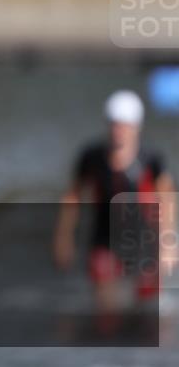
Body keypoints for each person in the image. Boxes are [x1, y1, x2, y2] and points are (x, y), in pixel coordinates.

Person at [53, 90, 176, 311]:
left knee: (148, 310)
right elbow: (72, 196)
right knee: (106, 309)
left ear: (136, 127)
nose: (119, 131)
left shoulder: (151, 159)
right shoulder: (91, 158)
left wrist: (169, 244)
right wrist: (64, 238)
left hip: (143, 243)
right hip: (104, 241)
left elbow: (167, 198)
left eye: (125, 125)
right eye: (115, 125)